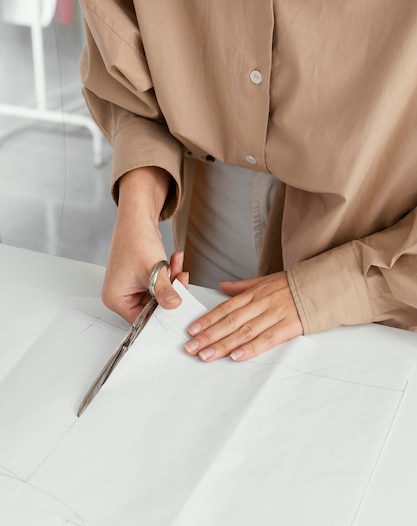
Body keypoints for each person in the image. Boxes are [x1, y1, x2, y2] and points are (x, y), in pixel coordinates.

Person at [79, 1, 417, 362]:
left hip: (376, 236)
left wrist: (338, 287)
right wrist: (137, 209)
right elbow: (125, 39)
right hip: (208, 198)